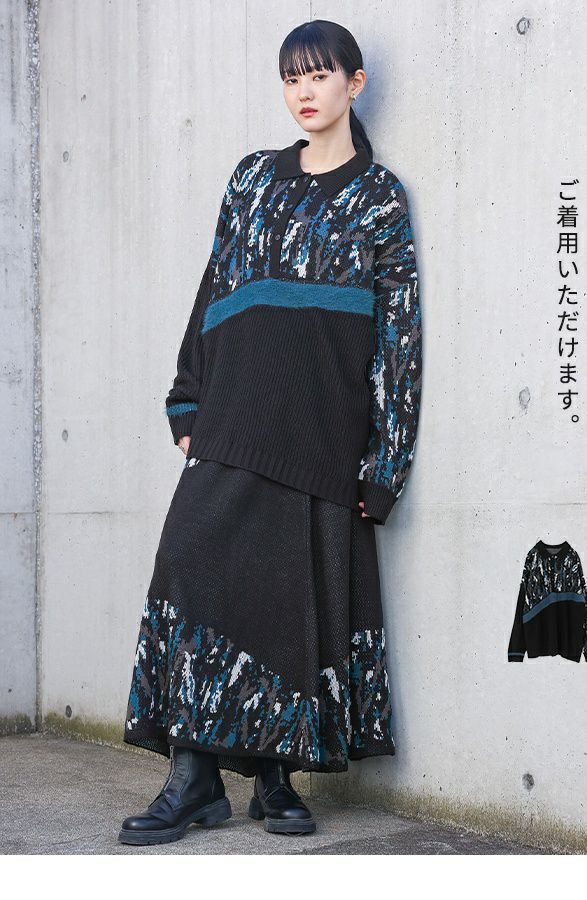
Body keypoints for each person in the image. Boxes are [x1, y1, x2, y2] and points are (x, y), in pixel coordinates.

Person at [118, 18, 422, 846]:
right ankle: (193, 778)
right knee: (192, 570)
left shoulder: (379, 197)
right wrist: (187, 399)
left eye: (319, 76)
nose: (304, 92)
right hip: (237, 414)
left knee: (291, 600)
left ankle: (276, 781)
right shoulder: (253, 179)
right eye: (292, 78)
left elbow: (399, 337)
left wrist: (385, 464)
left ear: (355, 84)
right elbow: (215, 287)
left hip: (322, 429)